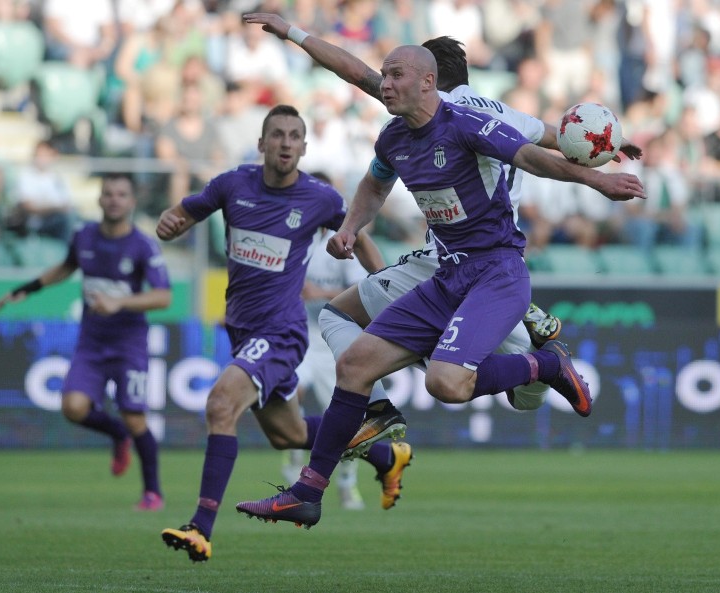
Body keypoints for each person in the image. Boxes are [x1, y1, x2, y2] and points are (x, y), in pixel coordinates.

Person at [236, 45, 645, 529]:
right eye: (385, 76)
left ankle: (544, 364)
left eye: (396, 75)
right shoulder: (402, 134)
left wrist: (600, 183)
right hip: (444, 272)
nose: (384, 84)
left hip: (495, 271)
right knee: (354, 364)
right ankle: (309, 491)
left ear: (430, 80)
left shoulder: (466, 119)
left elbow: (534, 157)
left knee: (447, 382)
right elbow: (548, 138)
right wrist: (350, 227)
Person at [158, 105, 411, 564]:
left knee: (220, 404)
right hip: (243, 330)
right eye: (277, 134)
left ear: (304, 147)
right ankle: (383, 455)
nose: (286, 142)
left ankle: (201, 526)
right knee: (288, 433)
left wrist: (388, 297)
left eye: (295, 136)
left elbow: (360, 237)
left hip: (281, 331)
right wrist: (172, 219)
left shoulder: (320, 198)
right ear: (262, 144)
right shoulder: (233, 184)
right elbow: (188, 210)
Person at [0, 173, 170, 511]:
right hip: (92, 341)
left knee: (136, 418)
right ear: (100, 200)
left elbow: (163, 296)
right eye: (108, 193)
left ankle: (153, 493)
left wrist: (120, 303)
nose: (114, 199)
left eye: (121, 194)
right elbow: (67, 267)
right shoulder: (84, 235)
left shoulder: (143, 245)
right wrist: (26, 289)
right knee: (73, 408)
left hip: (128, 343)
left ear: (131, 202)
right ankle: (117, 434)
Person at [280, 173, 370, 510]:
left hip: (335, 336)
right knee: (290, 396)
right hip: (300, 333)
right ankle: (292, 471)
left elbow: (362, 291)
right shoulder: (290, 238)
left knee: (344, 417)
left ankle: (347, 484)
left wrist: (320, 293)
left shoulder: (342, 239)